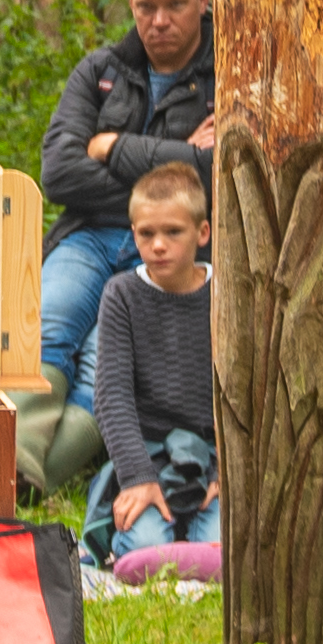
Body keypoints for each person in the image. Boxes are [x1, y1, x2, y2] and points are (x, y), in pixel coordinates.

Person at [30, 0, 215, 503]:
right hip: (87, 237)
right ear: (131, 3)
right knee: (52, 325)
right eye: (145, 7)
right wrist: (181, 156)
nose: (158, 21)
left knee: (102, 359)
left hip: (172, 249)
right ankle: (10, 457)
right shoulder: (101, 70)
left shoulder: (227, 74)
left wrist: (110, 147)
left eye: (175, 5)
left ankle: (34, 481)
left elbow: (217, 180)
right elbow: (59, 174)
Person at [90, 161, 222, 558]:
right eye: (147, 234)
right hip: (144, 455)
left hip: (212, 457)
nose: (159, 245)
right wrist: (136, 477)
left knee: (219, 548)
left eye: (173, 232)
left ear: (202, 232)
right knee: (144, 549)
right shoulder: (122, 295)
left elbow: (248, 391)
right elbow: (111, 396)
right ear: (134, 234)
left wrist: (229, 472)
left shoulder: (227, 291)